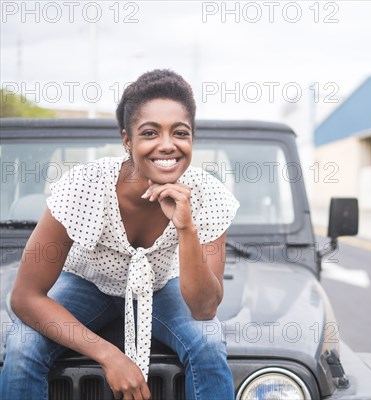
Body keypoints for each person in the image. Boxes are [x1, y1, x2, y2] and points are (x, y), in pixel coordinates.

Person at [0, 69, 239, 400]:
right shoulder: (83, 186)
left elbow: (204, 309)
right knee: (22, 345)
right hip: (88, 284)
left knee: (210, 343)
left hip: (161, 287)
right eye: (150, 132)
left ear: (192, 138)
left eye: (180, 132)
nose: (167, 145)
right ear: (127, 140)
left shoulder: (208, 195)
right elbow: (25, 297)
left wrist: (186, 228)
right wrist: (110, 356)